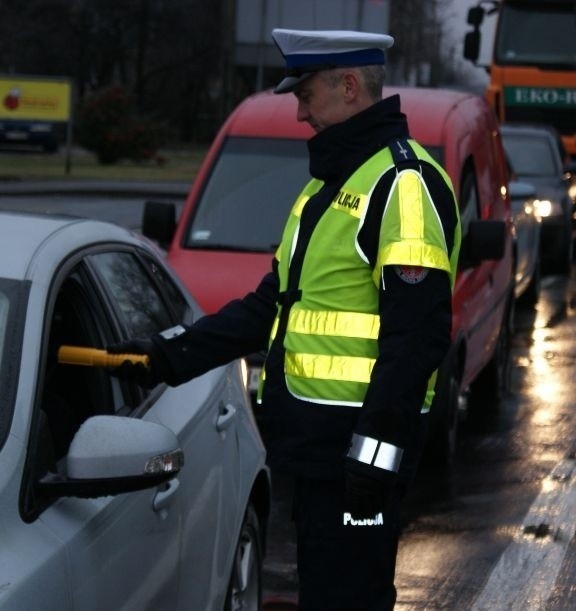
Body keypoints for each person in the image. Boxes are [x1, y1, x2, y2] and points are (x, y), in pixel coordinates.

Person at [108, 29, 462, 610]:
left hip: (354, 456)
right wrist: (168, 354)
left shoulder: (403, 187)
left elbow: (417, 338)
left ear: (349, 86)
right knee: (326, 591)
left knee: (347, 598)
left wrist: (373, 458)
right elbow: (272, 307)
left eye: (307, 96)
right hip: (319, 452)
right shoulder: (331, 187)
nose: (299, 113)